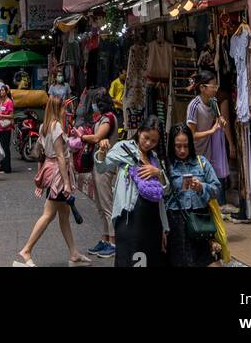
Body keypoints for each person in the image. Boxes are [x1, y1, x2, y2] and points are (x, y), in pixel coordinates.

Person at [13, 95, 92, 266]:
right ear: (58, 109)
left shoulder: (44, 126)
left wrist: (41, 179)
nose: (66, 111)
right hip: (58, 176)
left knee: (64, 215)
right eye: (63, 108)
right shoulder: (56, 127)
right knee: (48, 214)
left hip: (52, 172)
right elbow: (60, 157)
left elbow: (41, 154)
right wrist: (66, 183)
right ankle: (26, 250)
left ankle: (73, 253)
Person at [95, 115, 169, 268]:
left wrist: (158, 173)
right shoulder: (123, 148)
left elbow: (166, 191)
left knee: (148, 261)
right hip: (130, 219)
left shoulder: (155, 158)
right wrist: (101, 152)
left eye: (153, 141)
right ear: (139, 131)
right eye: (146, 137)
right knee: (131, 260)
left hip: (152, 222)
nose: (148, 143)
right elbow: (102, 167)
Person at [165, 122, 221, 268]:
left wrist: (202, 187)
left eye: (186, 146)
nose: (182, 150)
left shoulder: (202, 163)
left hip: (201, 221)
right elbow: (160, 198)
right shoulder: (166, 166)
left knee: (210, 261)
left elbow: (217, 190)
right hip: (176, 224)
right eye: (178, 146)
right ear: (171, 146)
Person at [76, 89, 117, 258]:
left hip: (106, 165)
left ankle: (113, 242)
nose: (92, 105)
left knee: (107, 205)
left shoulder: (108, 118)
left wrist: (82, 136)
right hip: (98, 163)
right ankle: (104, 239)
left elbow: (96, 138)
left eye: (93, 102)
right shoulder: (101, 118)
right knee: (100, 205)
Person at [186, 70, 231, 202]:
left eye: (216, 86)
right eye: (213, 86)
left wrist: (221, 120)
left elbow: (218, 117)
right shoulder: (194, 106)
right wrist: (211, 131)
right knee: (195, 188)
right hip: (195, 152)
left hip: (207, 152)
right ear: (202, 88)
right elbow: (191, 135)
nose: (216, 89)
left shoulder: (213, 102)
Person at [0, 82, 15, 174]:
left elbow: (11, 116)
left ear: (6, 91)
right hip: (0, 127)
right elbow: (0, 112)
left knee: (5, 148)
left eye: (2, 90)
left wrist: (0, 115)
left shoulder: (9, 102)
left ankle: (7, 168)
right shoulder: (1, 101)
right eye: (0, 90)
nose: (1, 92)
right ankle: (2, 167)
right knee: (0, 147)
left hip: (6, 128)